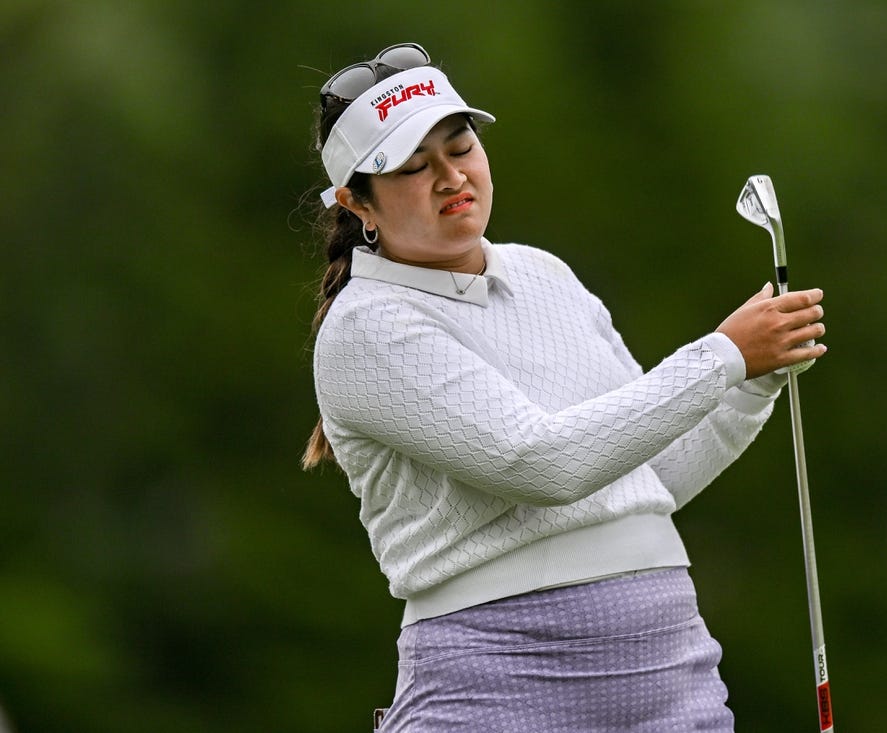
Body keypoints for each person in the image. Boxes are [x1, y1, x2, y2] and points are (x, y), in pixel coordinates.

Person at [302, 42, 826, 732]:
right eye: (412, 167)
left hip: (671, 671)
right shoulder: (364, 328)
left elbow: (651, 475)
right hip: (499, 683)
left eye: (460, 147)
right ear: (356, 203)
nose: (450, 177)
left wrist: (752, 381)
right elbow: (541, 463)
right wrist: (724, 355)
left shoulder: (545, 273)